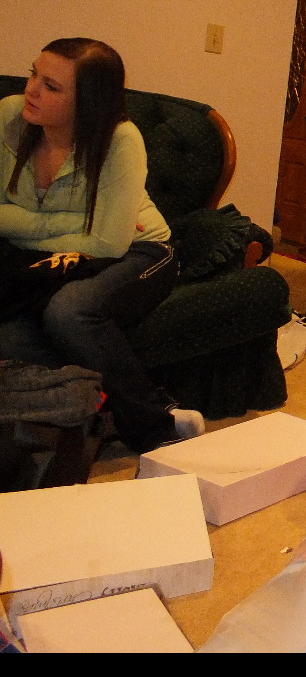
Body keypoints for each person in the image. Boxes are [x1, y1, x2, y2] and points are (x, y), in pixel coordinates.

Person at [0, 37, 204, 453]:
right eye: (33, 73)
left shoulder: (120, 139)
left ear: (87, 102)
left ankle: (156, 433)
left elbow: (109, 242)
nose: (32, 89)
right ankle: (126, 410)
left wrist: (20, 223)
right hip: (54, 256)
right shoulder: (9, 117)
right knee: (9, 330)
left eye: (51, 86)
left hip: (141, 250)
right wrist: (73, 222)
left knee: (69, 311)